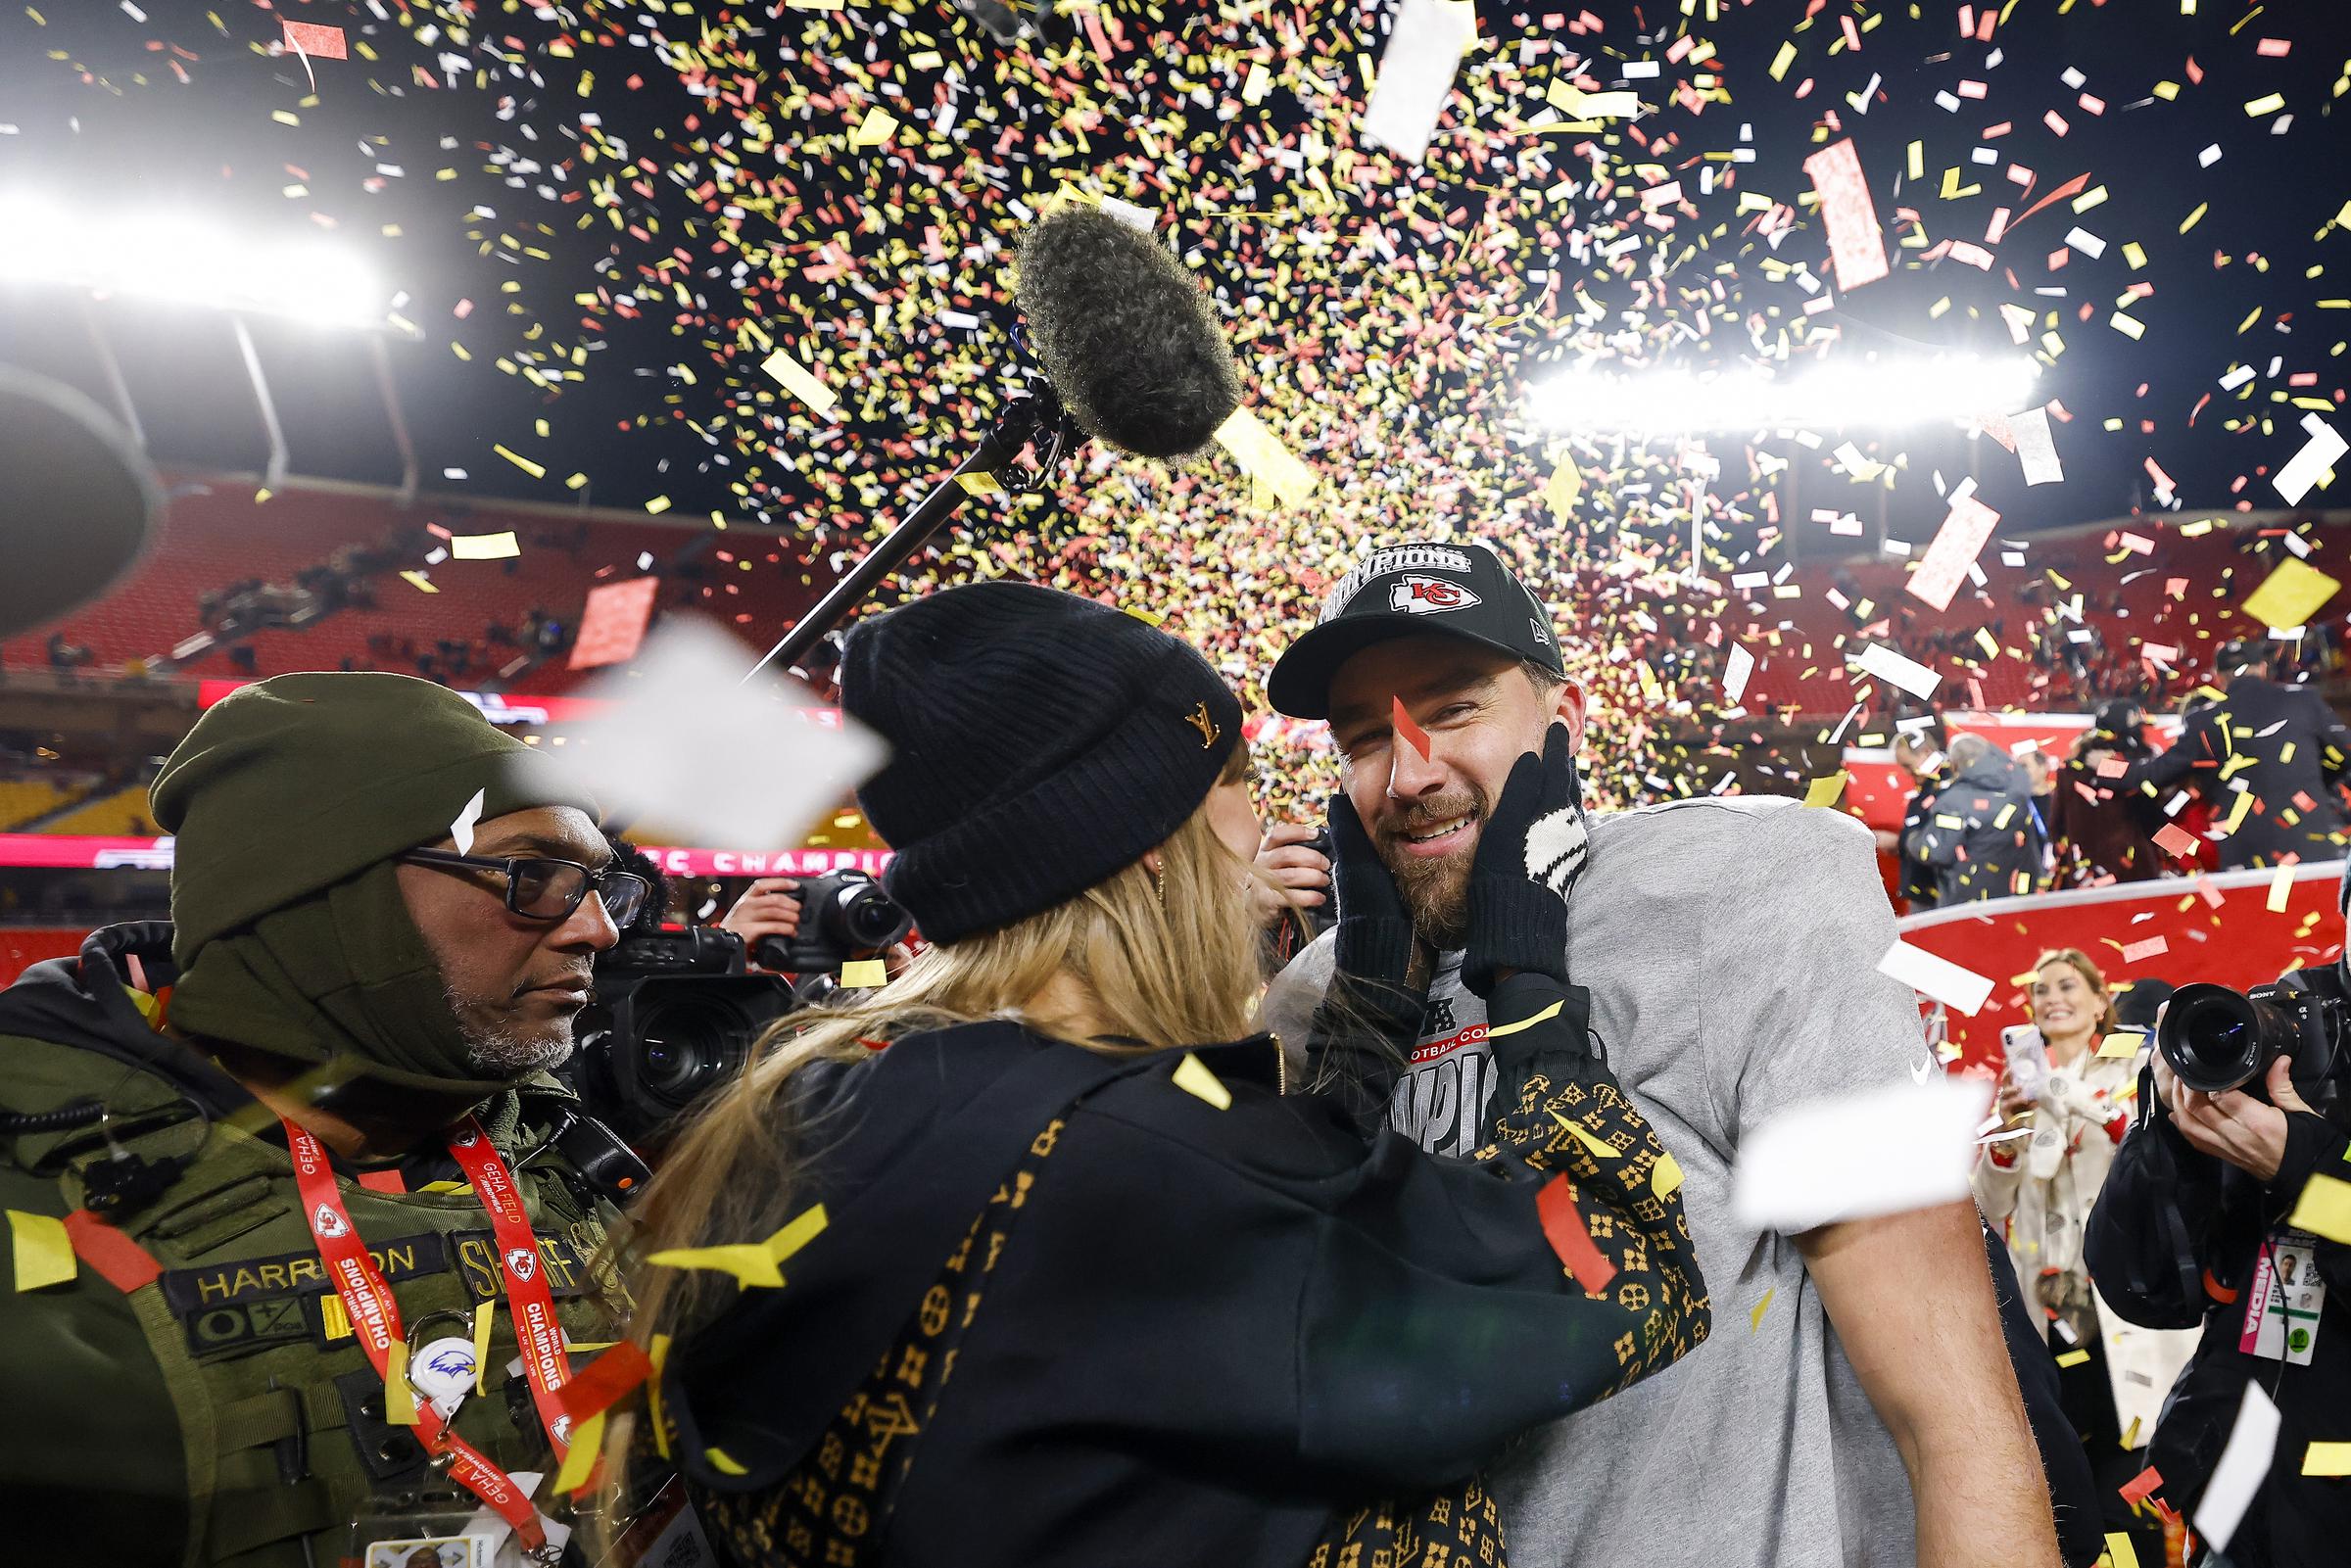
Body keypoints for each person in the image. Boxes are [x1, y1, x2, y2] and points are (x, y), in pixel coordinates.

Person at [626, 583, 1709, 1568]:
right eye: (1230, 779)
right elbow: (1624, 1271)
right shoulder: (1172, 1174)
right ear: (1155, 843)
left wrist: (1369, 1027)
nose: (1260, 818)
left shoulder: (806, 1114)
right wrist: (1527, 981)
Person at [1260, 539, 2057, 1567]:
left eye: (1452, 708)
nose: (1409, 773)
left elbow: (1950, 1408)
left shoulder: (1758, 884)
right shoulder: (1314, 1002)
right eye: (1365, 736)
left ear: (1565, 719)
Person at [0, 673, 650, 1565]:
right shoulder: (43, 1226)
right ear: (324, 899)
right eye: (534, 877)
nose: (600, 931)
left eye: (600, 886)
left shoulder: (569, 1146)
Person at [2084, 889, 2351, 1568]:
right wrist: (2171, 1129)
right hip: (2242, 1502)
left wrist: (2304, 1168)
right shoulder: (2298, 1023)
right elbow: (2149, 1293)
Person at [1974, 951, 2200, 1553]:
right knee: (2069, 1462)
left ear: (2101, 1001)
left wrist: (2063, 1092)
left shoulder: (2131, 1064)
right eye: (2041, 989)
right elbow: (1989, 1203)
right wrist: (2006, 1134)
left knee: (2141, 1463)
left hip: (2123, 1300)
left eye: (2068, 985)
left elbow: (2142, 1140)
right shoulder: (2021, 1090)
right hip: (2052, 1309)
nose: (2052, 997)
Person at [2119, 641, 2351, 870]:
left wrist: (2103, 767)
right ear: (2262, 668)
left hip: (2245, 865)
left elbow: (2151, 775)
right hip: (2311, 852)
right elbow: (2345, 754)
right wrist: (2315, 780)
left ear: (2218, 676)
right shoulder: (2304, 702)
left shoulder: (2204, 725)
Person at [1899, 731, 2046, 906]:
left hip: (1968, 904)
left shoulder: (1954, 802)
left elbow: (1935, 852)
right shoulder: (2018, 790)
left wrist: (1912, 839)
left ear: (1954, 766)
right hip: (2017, 901)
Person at [2045, 700, 2165, 885]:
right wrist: (2189, 855)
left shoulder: (2069, 771)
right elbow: (2156, 822)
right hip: (2134, 875)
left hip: (2084, 879)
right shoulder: (2136, 777)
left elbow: (2055, 827)